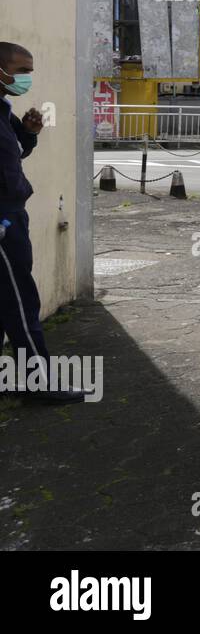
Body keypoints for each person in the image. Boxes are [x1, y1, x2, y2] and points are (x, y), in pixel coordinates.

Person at [0, 43, 83, 403]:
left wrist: (29, 133)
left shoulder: (5, 111)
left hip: (11, 214)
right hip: (4, 220)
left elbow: (13, 154)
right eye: (21, 70)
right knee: (21, 304)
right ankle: (41, 385)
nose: (26, 79)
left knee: (6, 303)